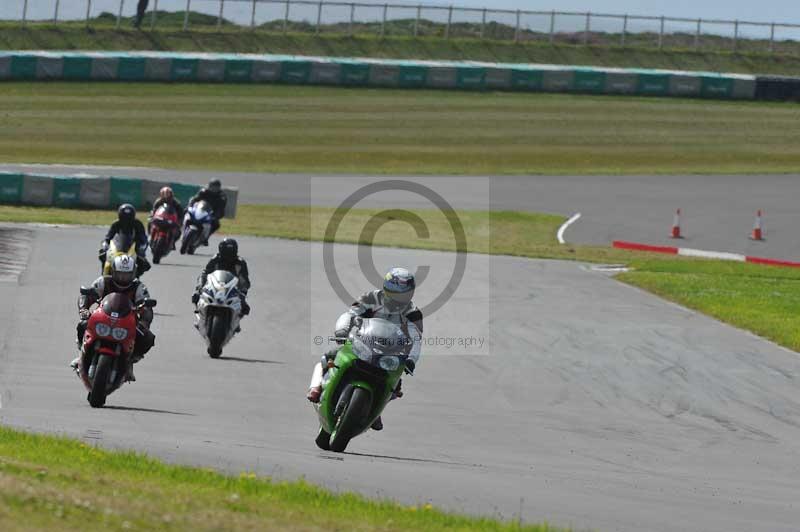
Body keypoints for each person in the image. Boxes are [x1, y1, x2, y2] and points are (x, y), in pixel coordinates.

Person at [306, 267, 423, 431]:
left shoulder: (413, 312)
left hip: (389, 353)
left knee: (395, 385)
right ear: (385, 288)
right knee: (328, 357)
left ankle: (375, 410)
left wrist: (411, 360)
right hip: (362, 342)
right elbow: (351, 314)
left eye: (402, 294)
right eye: (393, 291)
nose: (397, 297)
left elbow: (416, 338)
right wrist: (342, 331)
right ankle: (316, 387)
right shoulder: (371, 298)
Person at [71, 255, 155, 382]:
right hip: (102, 318)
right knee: (83, 324)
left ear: (133, 274)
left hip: (126, 322)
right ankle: (81, 354)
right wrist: (84, 309)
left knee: (147, 337)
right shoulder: (103, 281)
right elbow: (86, 295)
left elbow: (147, 307)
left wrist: (144, 322)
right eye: (120, 274)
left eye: (127, 275)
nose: (123, 278)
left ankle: (130, 361)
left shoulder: (139, 287)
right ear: (113, 271)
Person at [192, 238, 251, 320]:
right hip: (214, 286)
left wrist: (243, 294)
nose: (228, 255)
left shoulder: (240, 262)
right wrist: (200, 287)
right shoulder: (215, 258)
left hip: (232, 290)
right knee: (196, 296)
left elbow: (245, 281)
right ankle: (200, 313)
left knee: (244, 308)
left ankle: (235, 320)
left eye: (230, 252)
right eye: (226, 252)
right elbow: (205, 273)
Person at [100, 203, 150, 275]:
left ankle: (137, 276)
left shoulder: (138, 224)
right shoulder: (116, 224)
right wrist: (105, 245)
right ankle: (104, 275)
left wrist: (142, 246)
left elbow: (143, 237)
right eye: (124, 217)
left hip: (134, 248)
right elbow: (108, 237)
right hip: (118, 248)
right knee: (103, 255)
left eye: (128, 217)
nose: (126, 220)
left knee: (143, 262)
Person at [187, 179, 227, 246]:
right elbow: (195, 199)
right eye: (212, 186)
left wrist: (216, 216)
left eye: (216, 187)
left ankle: (205, 237)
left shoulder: (222, 196)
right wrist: (190, 205)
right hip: (200, 209)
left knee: (216, 224)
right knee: (188, 214)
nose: (214, 189)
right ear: (209, 186)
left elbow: (221, 208)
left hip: (213, 213)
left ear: (219, 188)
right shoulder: (204, 191)